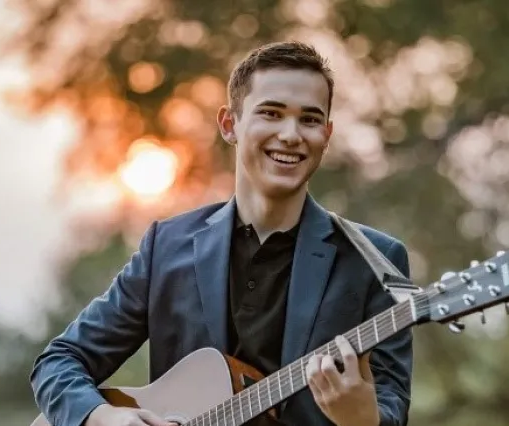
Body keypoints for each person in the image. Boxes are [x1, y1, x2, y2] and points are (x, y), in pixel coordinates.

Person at [31, 41, 413, 426]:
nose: (291, 134)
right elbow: (58, 362)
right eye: (271, 113)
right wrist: (105, 418)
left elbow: (392, 405)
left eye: (310, 120)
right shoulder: (167, 246)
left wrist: (365, 421)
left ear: (327, 135)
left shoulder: (376, 261)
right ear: (230, 124)